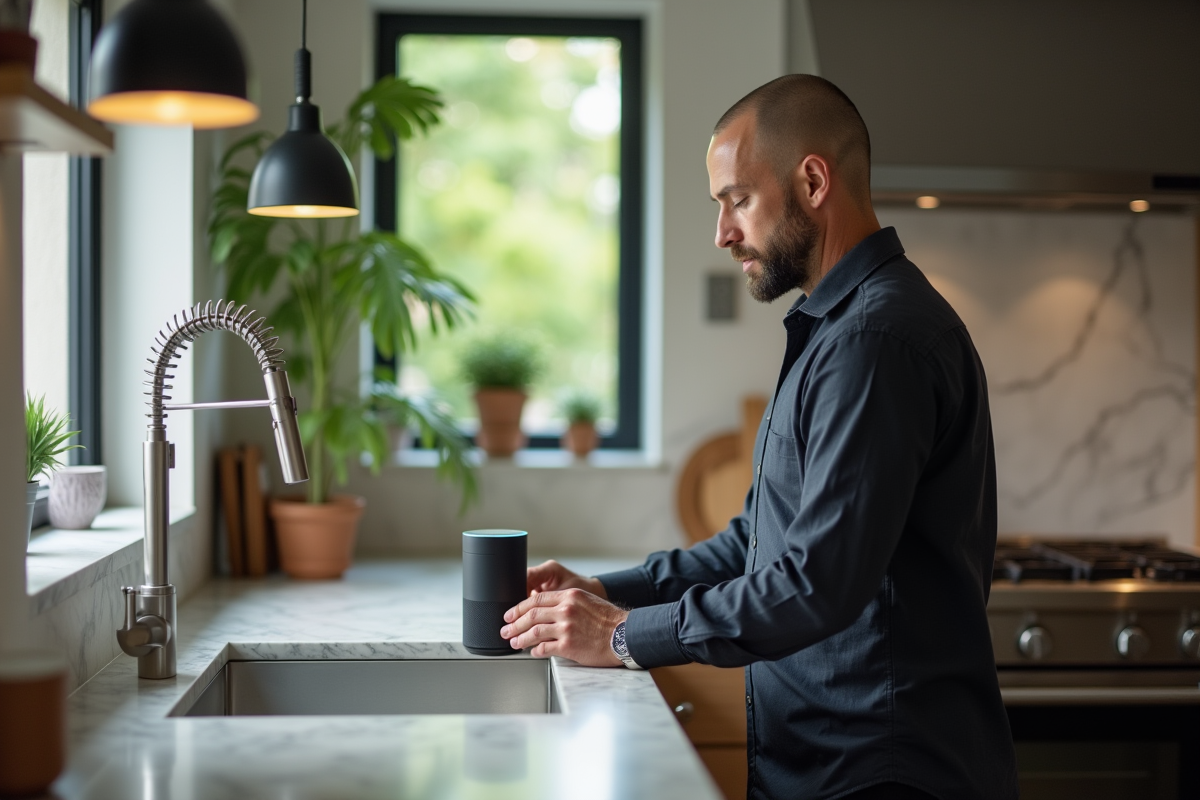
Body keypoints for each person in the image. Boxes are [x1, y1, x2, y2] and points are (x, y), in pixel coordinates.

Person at [500, 75, 1018, 800]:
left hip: (879, 772)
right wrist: (604, 592)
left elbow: (815, 584)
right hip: (832, 764)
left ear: (813, 182)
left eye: (737, 199)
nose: (723, 232)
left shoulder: (874, 340)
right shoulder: (837, 330)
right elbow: (756, 542)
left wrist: (620, 635)